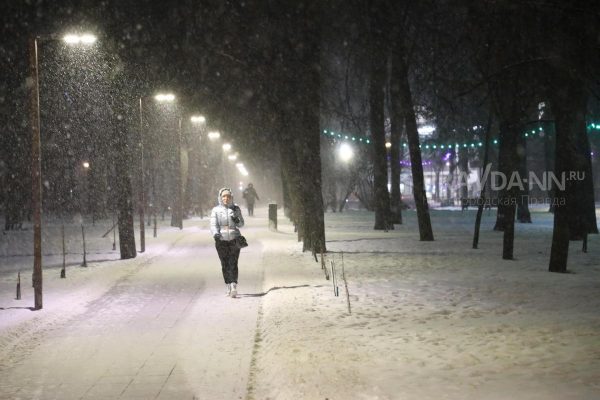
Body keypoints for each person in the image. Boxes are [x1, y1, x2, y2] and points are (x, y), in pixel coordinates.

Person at [210, 187, 245, 298]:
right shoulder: (215, 210)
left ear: (231, 197)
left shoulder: (236, 209)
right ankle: (228, 285)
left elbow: (241, 224)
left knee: (233, 262)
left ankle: (234, 285)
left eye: (228, 196)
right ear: (220, 197)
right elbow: (213, 225)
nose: (226, 198)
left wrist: (236, 220)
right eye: (224, 196)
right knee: (224, 264)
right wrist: (215, 234)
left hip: (234, 239)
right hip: (221, 240)